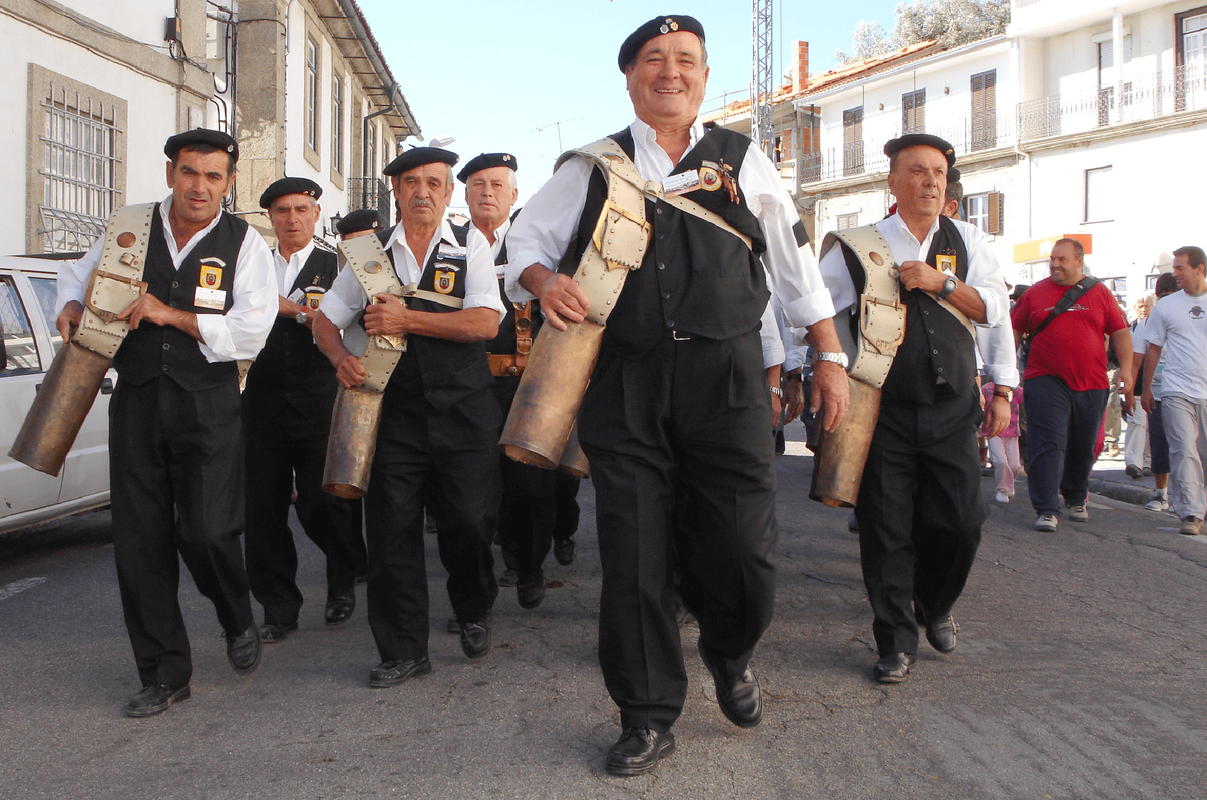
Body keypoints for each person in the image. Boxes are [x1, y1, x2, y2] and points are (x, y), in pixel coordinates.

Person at [504, 14, 849, 776]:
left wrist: (827, 356)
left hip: (725, 382)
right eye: (654, 59)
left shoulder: (743, 158)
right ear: (628, 77)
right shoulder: (591, 167)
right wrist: (542, 279)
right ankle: (646, 714)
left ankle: (729, 652)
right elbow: (521, 243)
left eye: (685, 60)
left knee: (740, 549)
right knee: (633, 557)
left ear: (701, 74)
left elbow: (795, 271)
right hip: (625, 381)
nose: (670, 71)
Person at [53, 129, 276, 717]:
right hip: (139, 400)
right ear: (172, 172)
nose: (199, 187)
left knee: (207, 532)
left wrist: (169, 315)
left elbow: (253, 329)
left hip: (207, 404)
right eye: (189, 173)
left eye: (213, 177)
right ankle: (163, 672)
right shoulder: (128, 225)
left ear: (229, 184)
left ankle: (235, 614)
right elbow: (76, 275)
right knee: (140, 542)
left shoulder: (244, 243)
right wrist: (71, 305)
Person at [817, 133, 1015, 685]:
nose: (931, 182)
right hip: (881, 407)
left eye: (938, 173)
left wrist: (942, 283)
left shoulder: (969, 238)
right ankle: (895, 641)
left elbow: (997, 311)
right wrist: (819, 367)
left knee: (961, 521)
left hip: (953, 405)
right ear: (893, 182)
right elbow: (820, 312)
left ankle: (935, 604)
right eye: (918, 172)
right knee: (886, 528)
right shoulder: (858, 244)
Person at [313, 147, 506, 687]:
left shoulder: (471, 245)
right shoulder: (369, 255)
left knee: (468, 522)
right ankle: (403, 649)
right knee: (392, 531)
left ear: (449, 193)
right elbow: (326, 320)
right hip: (393, 414)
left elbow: (485, 323)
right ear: (395, 191)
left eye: (435, 183)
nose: (423, 192)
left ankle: (472, 608)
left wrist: (408, 319)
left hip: (465, 411)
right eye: (412, 183)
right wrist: (339, 358)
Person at [453, 151, 583, 622]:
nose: (487, 192)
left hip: (530, 385)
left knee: (531, 487)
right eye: (478, 184)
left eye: (497, 185)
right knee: (471, 492)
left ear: (513, 194)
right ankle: (477, 590)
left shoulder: (540, 252)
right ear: (463, 194)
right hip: (466, 386)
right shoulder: (449, 248)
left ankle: (528, 567)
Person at [242, 177, 366, 644]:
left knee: (325, 502)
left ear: (316, 215)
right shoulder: (251, 263)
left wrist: (291, 310)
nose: (291, 219)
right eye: (282, 211)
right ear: (270, 218)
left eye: (301, 210)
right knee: (264, 509)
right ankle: (278, 607)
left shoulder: (338, 264)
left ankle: (342, 580)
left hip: (320, 399)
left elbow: (352, 322)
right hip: (261, 401)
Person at [1012, 238, 1132, 532]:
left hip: (1091, 382)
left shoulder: (1099, 292)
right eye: (1052, 259)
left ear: (1079, 261)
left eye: (1062, 260)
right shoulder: (1036, 294)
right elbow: (1014, 328)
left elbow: (1120, 332)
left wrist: (1127, 370)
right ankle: (1046, 507)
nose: (1055, 264)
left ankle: (1076, 496)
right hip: (1045, 379)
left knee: (1083, 444)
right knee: (1048, 443)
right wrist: (1007, 369)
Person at [1139, 246, 1207, 536]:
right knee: (1183, 450)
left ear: (1199, 269)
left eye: (1180, 268)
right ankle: (1190, 512)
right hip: (1176, 390)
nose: (1174, 273)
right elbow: (1152, 347)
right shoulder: (1166, 306)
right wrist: (1145, 389)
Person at [1127, 274, 1178, 513]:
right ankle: (1161, 494)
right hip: (1158, 392)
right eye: (1164, 297)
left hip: (1191, 390)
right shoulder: (1147, 323)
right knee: (1160, 443)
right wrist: (1134, 391)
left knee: (1191, 446)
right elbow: (1135, 361)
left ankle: (1188, 495)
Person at [1124, 294, 1156, 479]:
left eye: (1147, 306)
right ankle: (1133, 462)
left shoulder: (1157, 326)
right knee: (1137, 422)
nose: (1144, 309)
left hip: (1154, 383)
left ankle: (1149, 462)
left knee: (1152, 425)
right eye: (1140, 306)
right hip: (1135, 383)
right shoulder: (1130, 329)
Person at [982, 381, 1023, 503]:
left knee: (1015, 465)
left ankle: (1008, 485)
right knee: (1001, 461)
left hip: (1012, 432)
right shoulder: (987, 388)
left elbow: (1029, 396)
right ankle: (1002, 489)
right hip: (993, 431)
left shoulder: (1016, 389)